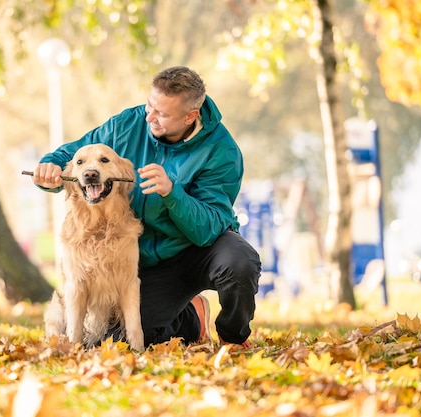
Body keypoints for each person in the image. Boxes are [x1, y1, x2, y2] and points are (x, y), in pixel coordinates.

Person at [32, 65, 261, 348]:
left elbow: (210, 226)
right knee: (115, 343)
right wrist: (51, 167)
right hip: (145, 262)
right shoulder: (128, 124)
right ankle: (191, 316)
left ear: (191, 116)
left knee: (240, 261)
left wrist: (172, 193)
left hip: (195, 250)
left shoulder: (221, 151)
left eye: (162, 114)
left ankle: (232, 336)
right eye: (149, 105)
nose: (149, 116)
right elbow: (77, 154)